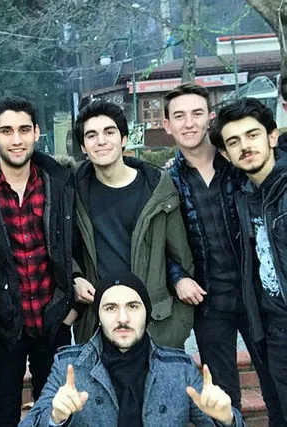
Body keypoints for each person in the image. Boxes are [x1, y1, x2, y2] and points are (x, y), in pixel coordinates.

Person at [0, 96, 77, 426]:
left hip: (52, 319)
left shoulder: (59, 182)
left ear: (36, 132)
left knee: (57, 411)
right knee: (3, 413)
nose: (16, 139)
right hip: (2, 325)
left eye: (24, 130)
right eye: (7, 131)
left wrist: (71, 309)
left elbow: (76, 245)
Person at [163, 83, 282, 423]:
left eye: (197, 113)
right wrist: (177, 277)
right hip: (209, 303)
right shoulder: (165, 181)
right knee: (222, 395)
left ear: (210, 118)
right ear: (167, 125)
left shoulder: (238, 163)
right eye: (179, 116)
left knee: (276, 382)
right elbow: (158, 242)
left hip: (257, 296)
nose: (189, 123)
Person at [20, 272, 246, 427]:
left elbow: (221, 420)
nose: (123, 318)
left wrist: (227, 420)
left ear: (146, 314)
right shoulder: (69, 366)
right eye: (110, 308)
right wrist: (55, 417)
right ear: (99, 317)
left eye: (133, 306)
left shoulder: (179, 369)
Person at [71, 100, 194, 349]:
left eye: (109, 132)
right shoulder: (73, 191)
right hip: (98, 322)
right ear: (83, 147)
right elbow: (64, 248)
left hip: (154, 323)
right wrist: (75, 277)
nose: (101, 141)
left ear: (124, 139)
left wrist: (178, 328)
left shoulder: (157, 188)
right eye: (91, 135)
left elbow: (181, 258)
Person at [210, 97, 287, 424]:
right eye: (234, 141)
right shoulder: (244, 197)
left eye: (252, 135)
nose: (245, 146)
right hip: (273, 332)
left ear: (272, 136)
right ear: (226, 154)